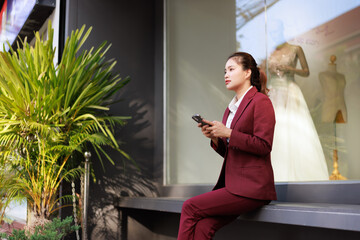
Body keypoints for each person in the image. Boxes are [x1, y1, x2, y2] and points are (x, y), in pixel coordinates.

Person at [177, 52, 277, 240]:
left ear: (247, 73)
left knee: (189, 207)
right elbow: (234, 152)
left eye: (231, 69)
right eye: (225, 71)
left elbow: (264, 145)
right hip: (235, 186)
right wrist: (216, 138)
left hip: (252, 188)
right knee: (203, 227)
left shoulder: (261, 102)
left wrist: (229, 133)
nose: (226, 75)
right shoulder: (230, 109)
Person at [266, 19, 328, 181]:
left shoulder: (296, 49)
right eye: (270, 32)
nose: (273, 35)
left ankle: (302, 173)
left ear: (282, 29)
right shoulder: (271, 53)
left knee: (295, 127)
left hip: (290, 90)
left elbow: (306, 71)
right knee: (276, 129)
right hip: (274, 93)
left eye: (275, 31)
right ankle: (275, 174)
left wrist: (290, 68)